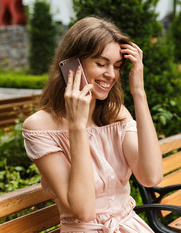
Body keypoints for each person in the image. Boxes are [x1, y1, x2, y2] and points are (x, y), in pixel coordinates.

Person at [22, 16, 163, 232]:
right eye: (101, 63)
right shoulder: (39, 126)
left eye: (117, 66)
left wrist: (139, 93)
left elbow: (151, 176)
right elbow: (84, 211)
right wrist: (77, 127)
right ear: (71, 64)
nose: (111, 74)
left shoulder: (116, 114)